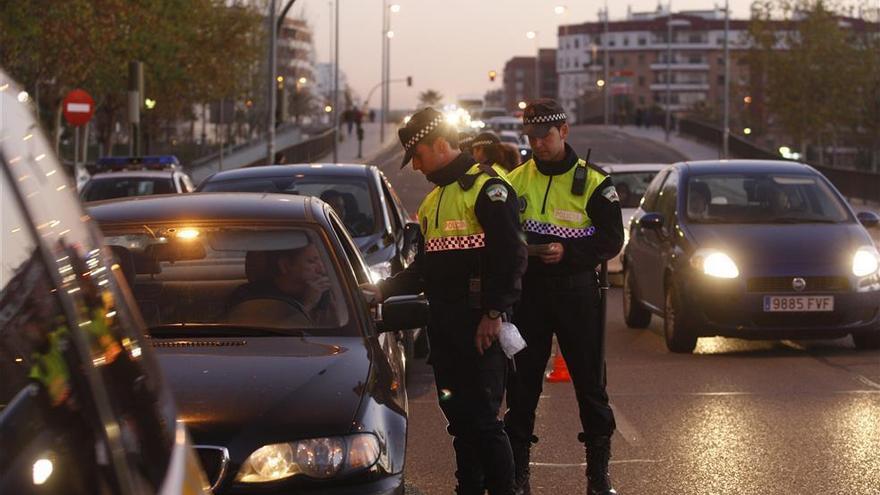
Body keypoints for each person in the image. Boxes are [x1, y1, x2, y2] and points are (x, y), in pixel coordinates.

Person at [363, 107, 527, 495]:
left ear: (440, 145)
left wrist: (493, 312)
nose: (416, 167)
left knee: (485, 421)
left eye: (418, 156)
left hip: (480, 327)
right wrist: (382, 290)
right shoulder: (434, 202)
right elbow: (424, 270)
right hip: (446, 327)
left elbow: (511, 257)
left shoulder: (489, 190)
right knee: (459, 421)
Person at [505, 99, 624, 495]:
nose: (538, 144)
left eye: (546, 136)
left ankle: (598, 477)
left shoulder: (594, 181)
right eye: (531, 137)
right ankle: (519, 476)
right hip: (530, 296)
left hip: (577, 294)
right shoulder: (514, 180)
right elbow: (501, 235)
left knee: (591, 387)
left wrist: (569, 253)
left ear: (564, 132)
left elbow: (612, 240)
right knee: (522, 388)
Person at [227, 244, 333, 327]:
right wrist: (308, 304)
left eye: (322, 260)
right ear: (285, 265)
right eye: (311, 262)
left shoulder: (328, 293)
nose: (322, 269)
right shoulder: (248, 296)